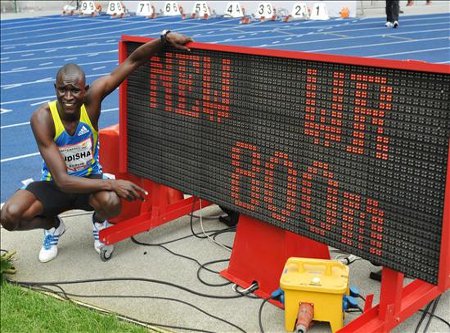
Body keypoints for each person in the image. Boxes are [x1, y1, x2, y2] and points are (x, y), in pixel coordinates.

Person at [0, 30, 193, 263]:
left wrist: (164, 39)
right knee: (9, 216)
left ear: (85, 90)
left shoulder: (91, 103)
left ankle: (98, 222)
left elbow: (132, 62)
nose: (68, 96)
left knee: (112, 202)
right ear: (55, 88)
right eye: (63, 89)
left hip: (89, 179)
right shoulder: (42, 118)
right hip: (56, 185)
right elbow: (62, 181)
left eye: (74, 90)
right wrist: (112, 182)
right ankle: (53, 226)